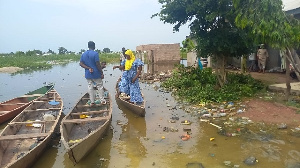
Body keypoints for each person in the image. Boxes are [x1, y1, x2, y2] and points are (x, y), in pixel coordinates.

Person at [80, 41, 106, 106]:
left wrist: (88, 68)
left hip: (88, 74)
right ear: (94, 46)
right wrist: (101, 72)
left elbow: (81, 64)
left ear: (88, 46)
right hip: (96, 74)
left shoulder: (84, 54)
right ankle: (102, 100)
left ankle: (92, 102)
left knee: (90, 87)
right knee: (99, 86)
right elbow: (97, 64)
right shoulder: (95, 54)